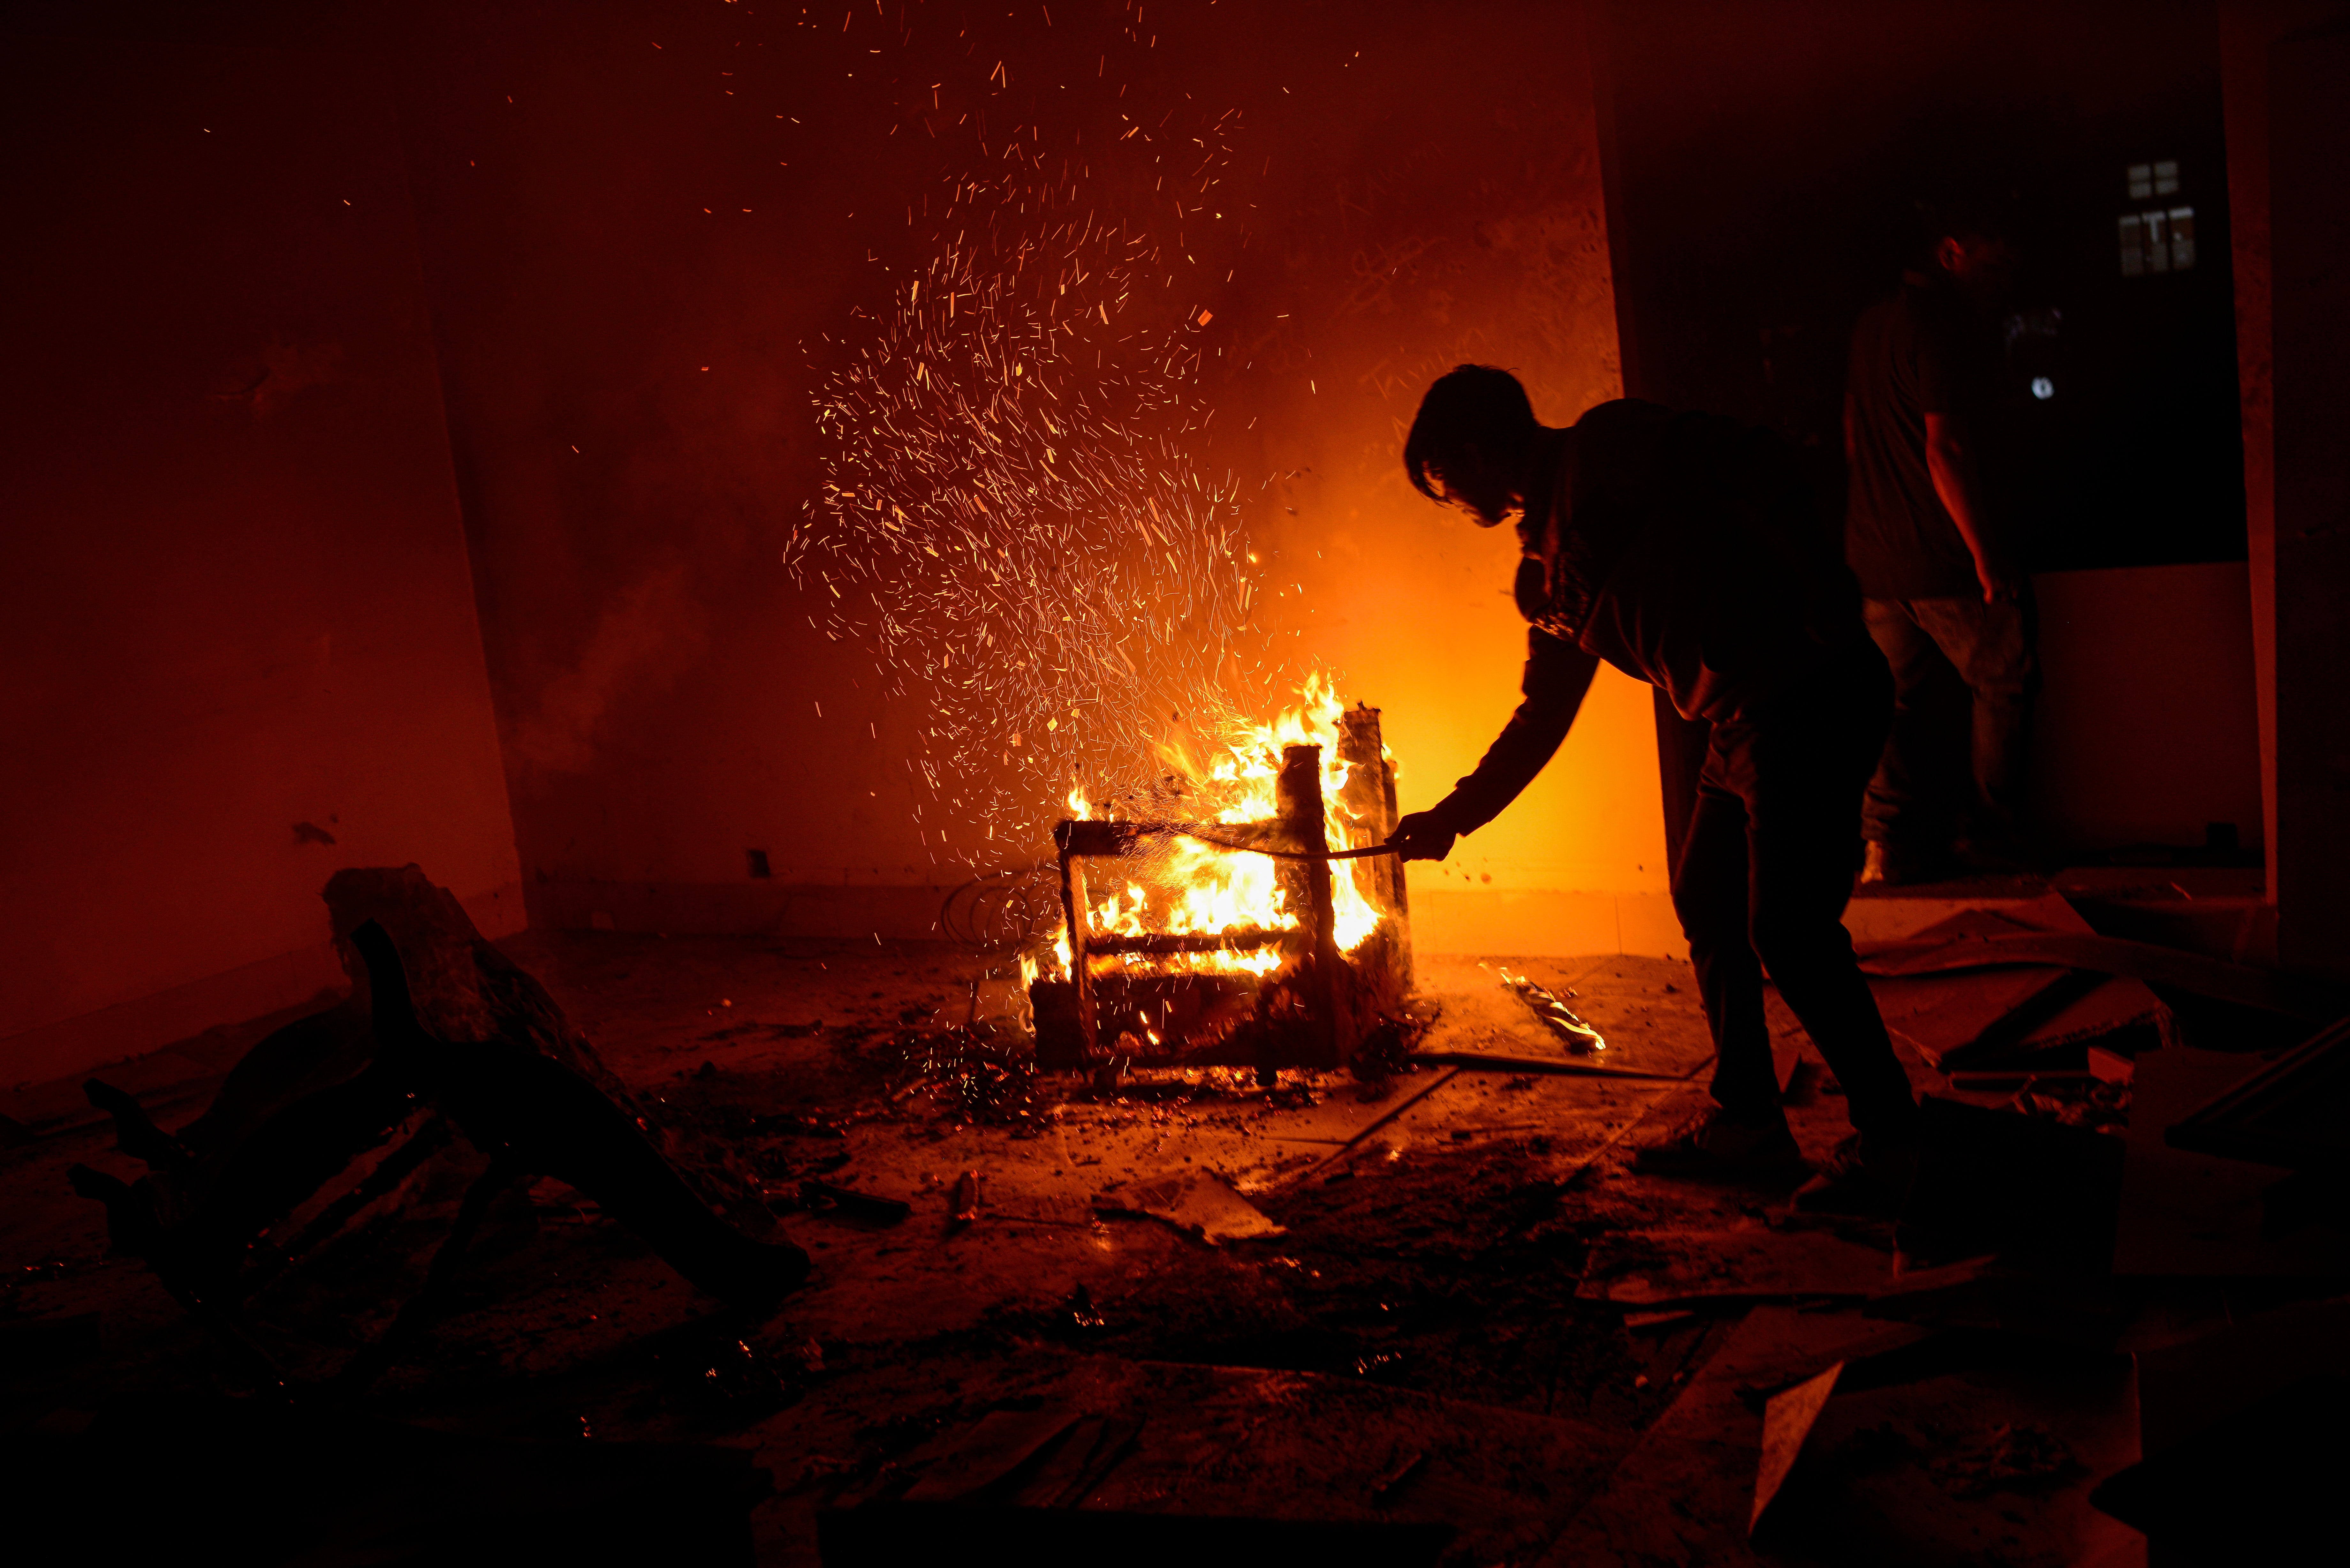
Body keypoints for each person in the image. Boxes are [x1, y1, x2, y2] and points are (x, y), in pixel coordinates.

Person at [1386, 366, 1918, 1214]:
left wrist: (1824, 578)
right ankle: (1749, 1120)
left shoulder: (1610, 446)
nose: (1449, 503)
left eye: (1446, 483)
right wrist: (1456, 816)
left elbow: (1764, 463)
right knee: (1707, 896)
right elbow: (1542, 719)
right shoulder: (1547, 572)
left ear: (1480, 451)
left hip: (1806, 691)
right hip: (1739, 721)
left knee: (1788, 928)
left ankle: (1896, 1141)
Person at [1845, 200, 2036, 884]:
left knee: (1888, 703)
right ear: (1951, 250)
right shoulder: (1942, 327)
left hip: (1875, 557)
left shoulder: (1871, 326)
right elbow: (1944, 448)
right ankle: (1988, 833)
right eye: (1994, 253)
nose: (2004, 270)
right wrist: (1986, 556)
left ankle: (1883, 846)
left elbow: (1854, 439)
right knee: (2002, 682)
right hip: (1942, 557)